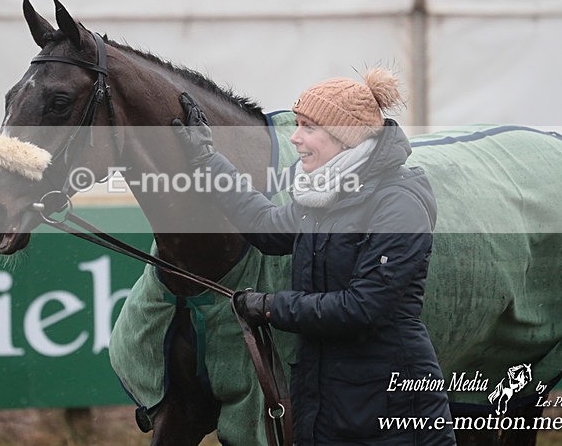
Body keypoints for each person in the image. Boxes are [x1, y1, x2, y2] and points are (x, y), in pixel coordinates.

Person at [171, 69, 456, 445]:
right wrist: (208, 162)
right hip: (325, 399)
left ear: (344, 138)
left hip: (393, 407)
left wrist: (271, 307)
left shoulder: (398, 203)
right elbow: (266, 225)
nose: (295, 137)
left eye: (308, 127)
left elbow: (362, 307)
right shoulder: (325, 196)